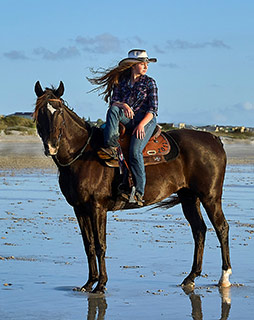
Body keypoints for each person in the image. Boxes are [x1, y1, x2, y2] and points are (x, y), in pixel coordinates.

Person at [88, 49, 158, 206]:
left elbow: (153, 110)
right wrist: (123, 104)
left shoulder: (149, 82)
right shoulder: (122, 82)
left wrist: (141, 125)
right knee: (113, 110)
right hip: (128, 117)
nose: (146, 65)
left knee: (134, 151)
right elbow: (114, 102)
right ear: (133, 66)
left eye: (146, 63)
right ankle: (111, 145)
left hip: (146, 120)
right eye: (142, 63)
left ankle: (139, 191)